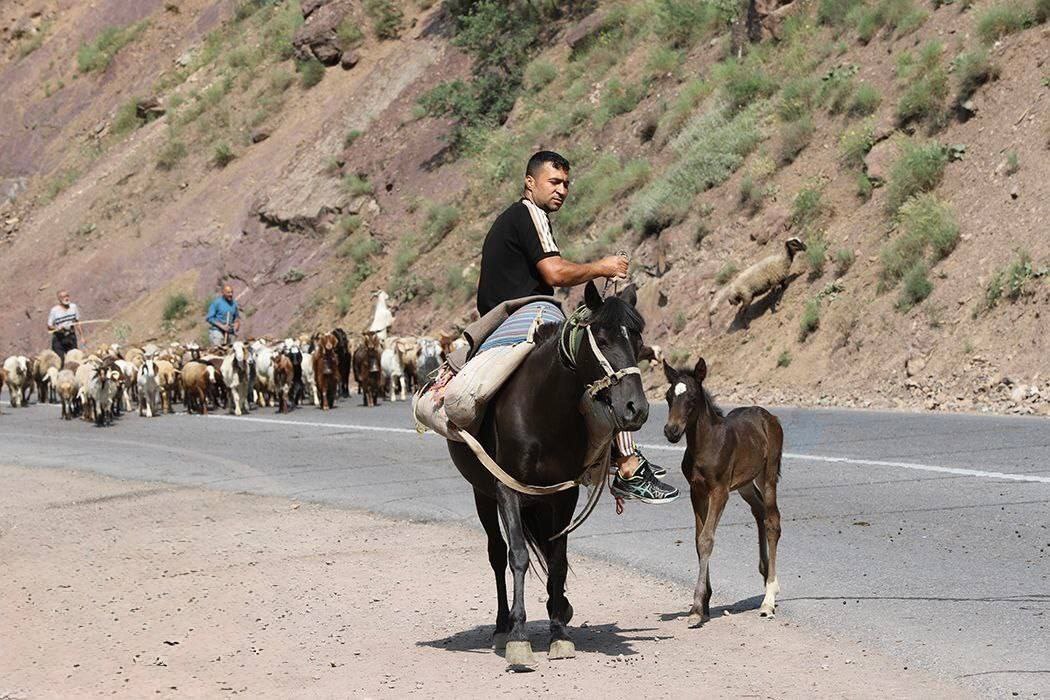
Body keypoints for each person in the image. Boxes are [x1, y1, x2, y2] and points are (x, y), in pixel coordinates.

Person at [476, 150, 679, 504]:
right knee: (596, 359)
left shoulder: (516, 219)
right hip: (528, 314)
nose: (562, 190)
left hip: (499, 320)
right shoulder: (530, 214)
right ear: (530, 183)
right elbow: (554, 273)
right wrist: (602, 267)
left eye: (566, 184)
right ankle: (628, 464)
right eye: (554, 182)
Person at [47, 290, 83, 363]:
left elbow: (77, 322)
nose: (66, 298)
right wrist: (57, 328)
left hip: (71, 336)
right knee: (60, 360)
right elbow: (49, 326)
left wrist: (82, 337)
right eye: (63, 297)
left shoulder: (73, 307)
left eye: (67, 296)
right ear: (59, 299)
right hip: (59, 338)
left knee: (74, 360)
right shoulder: (54, 310)